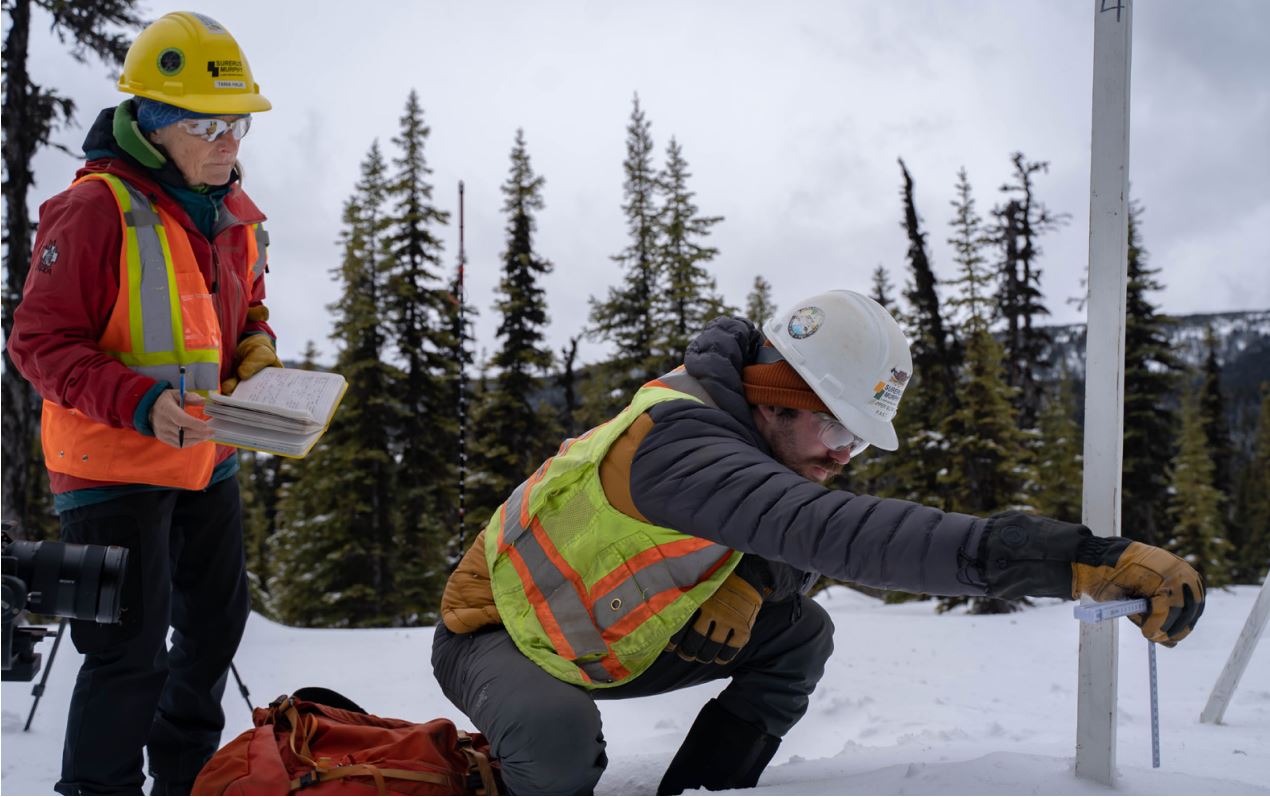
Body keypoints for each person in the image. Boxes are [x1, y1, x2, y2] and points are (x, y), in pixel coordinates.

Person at [432, 289, 1205, 795]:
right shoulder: (680, 445)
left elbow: (791, 528)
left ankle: (706, 790)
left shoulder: (755, 442)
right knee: (559, 743)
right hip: (503, 640)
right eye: (835, 425)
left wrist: (757, 581)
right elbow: (839, 534)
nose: (841, 454)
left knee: (800, 635)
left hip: (613, 638)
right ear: (775, 396)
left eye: (857, 442)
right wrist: (1074, 558)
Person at [7, 12, 282, 795]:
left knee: (213, 632)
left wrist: (258, 355)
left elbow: (247, 318)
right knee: (128, 652)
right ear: (155, 124)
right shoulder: (93, 209)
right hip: (113, 463)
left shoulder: (230, 209)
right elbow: (37, 342)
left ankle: (185, 777)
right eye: (210, 125)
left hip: (207, 458)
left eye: (239, 123)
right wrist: (138, 402)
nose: (230, 143)